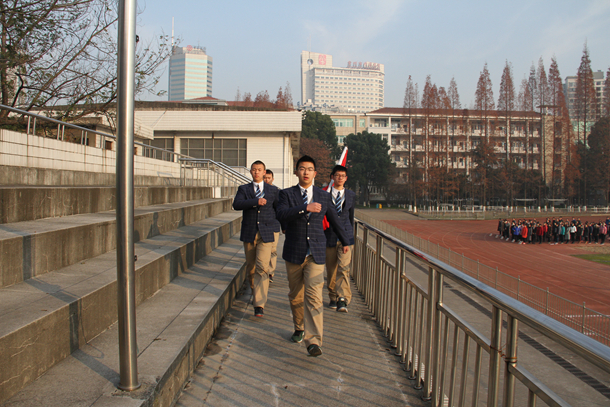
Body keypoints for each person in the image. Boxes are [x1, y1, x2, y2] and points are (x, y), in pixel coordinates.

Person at [277, 155, 350, 357]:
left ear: (315, 173)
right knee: (296, 295)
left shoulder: (323, 195)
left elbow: (334, 220)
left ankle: (314, 341)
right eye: (302, 168)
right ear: (296, 172)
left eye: (310, 169)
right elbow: (281, 215)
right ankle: (299, 327)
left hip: (316, 253)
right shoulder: (286, 194)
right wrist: (304, 208)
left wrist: (345, 241)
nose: (306, 172)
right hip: (294, 252)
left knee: (314, 297)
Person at [232, 160, 280, 318]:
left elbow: (279, 209)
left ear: (264, 172)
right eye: (254, 170)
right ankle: (255, 292)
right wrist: (255, 202)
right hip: (249, 232)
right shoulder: (244, 189)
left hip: (266, 234)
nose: (256, 172)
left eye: (259, 170)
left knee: (262, 268)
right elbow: (236, 204)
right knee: (251, 269)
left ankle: (259, 304)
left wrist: (282, 226)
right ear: (251, 172)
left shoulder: (273, 191)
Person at [324, 165, 356, 313]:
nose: (340, 178)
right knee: (331, 270)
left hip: (346, 237)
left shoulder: (350, 195)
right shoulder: (325, 194)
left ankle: (342, 298)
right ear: (332, 177)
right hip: (329, 236)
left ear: (346, 178)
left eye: (343, 176)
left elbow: (350, 217)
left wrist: (349, 238)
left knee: (344, 268)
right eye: (337, 175)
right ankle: (332, 296)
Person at [263, 169, 282, 283]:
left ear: (272, 179)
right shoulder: (258, 191)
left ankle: (270, 272)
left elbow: (279, 209)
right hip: (261, 225)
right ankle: (263, 270)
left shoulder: (276, 192)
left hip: (273, 225)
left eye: (268, 178)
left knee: (273, 250)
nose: (266, 180)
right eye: (265, 177)